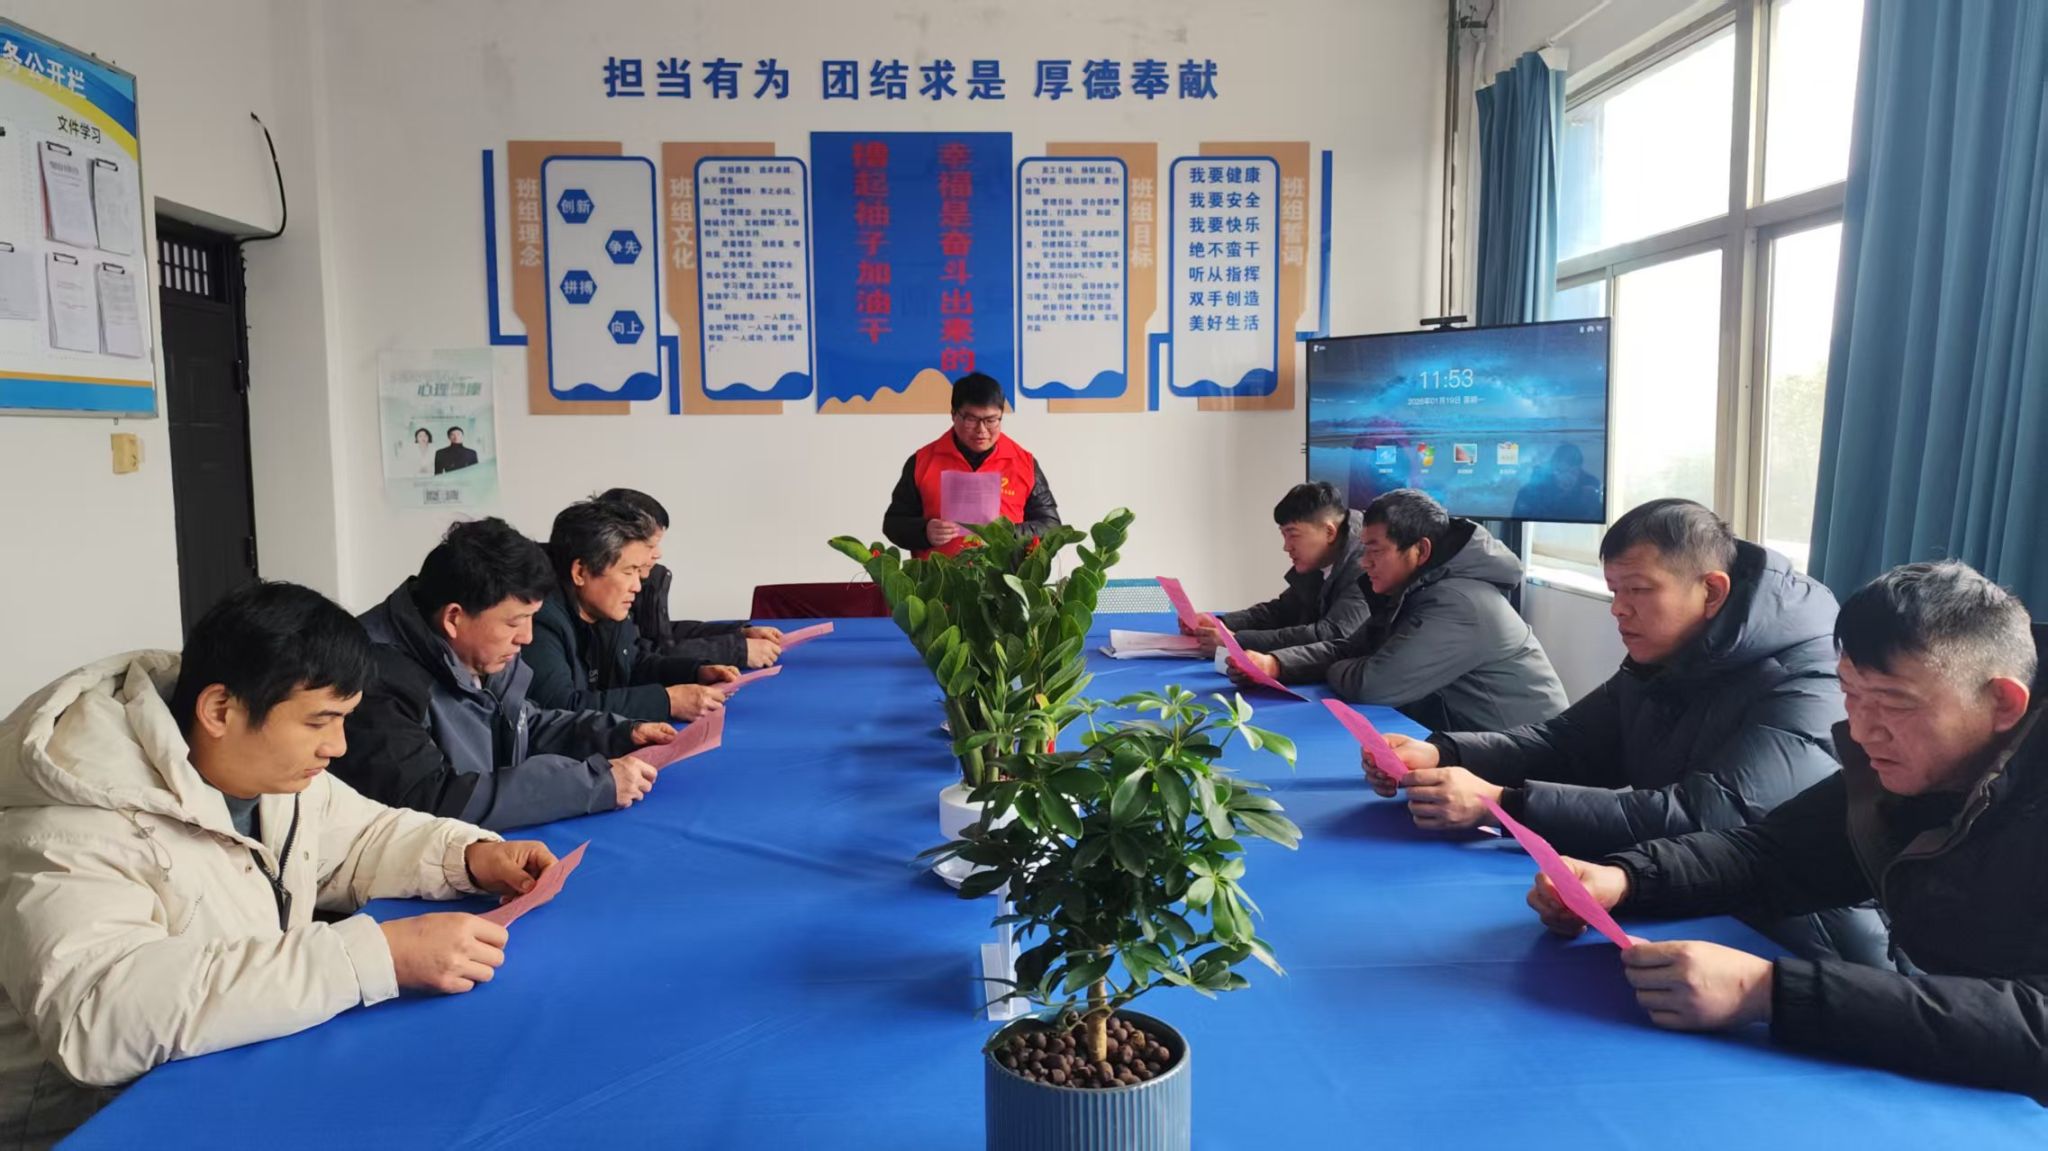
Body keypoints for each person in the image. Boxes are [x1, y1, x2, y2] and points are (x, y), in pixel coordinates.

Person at [0, 582, 560, 1146]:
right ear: (219, 710)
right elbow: (99, 1018)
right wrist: (375, 956)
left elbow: (362, 838)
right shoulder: (68, 825)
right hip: (88, 1127)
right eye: (319, 722)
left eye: (344, 720)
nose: (337, 747)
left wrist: (469, 856)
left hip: (220, 1076)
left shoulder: (263, 771)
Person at [1526, 562, 2048, 1099]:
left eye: (1894, 703)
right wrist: (1628, 878)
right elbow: (1773, 855)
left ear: (2002, 703)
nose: (1862, 730)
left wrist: (1769, 991)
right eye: (1851, 694)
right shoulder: (1908, 768)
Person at [1365, 498, 1887, 965]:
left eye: (1638, 590)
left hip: (1800, 945)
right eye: (1615, 590)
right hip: (1680, 904)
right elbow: (1567, 743)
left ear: (1711, 590)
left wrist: (1501, 803)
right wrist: (1444, 753)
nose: (1618, 609)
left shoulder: (1809, 677)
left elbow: (1709, 816)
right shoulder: (1669, 653)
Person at [331, 517, 679, 830]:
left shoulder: (478, 649)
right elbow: (431, 798)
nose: (527, 637)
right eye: (515, 622)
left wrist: (619, 733)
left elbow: (520, 724)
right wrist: (591, 785)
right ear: (454, 618)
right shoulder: (374, 675)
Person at [1240, 488, 1567, 731]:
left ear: (1420, 550)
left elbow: (1373, 685)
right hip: (1460, 739)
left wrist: (1340, 667)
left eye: (1375, 551)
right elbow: (1350, 648)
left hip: (1518, 763)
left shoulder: (1457, 603)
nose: (1364, 562)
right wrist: (1277, 664)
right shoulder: (1414, 588)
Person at [523, 498, 739, 723]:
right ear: (580, 572)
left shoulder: (604, 608)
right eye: (628, 572)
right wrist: (667, 702)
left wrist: (695, 672)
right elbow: (561, 708)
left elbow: (630, 666)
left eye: (638, 572)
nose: (637, 586)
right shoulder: (536, 618)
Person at [1193, 482, 1371, 680]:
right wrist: (1222, 623)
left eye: (1293, 535)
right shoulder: (1320, 560)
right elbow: (1282, 610)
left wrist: (1237, 640)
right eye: (1283, 535)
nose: (1286, 547)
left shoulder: (1366, 566)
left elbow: (1331, 634)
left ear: (1329, 532)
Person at [599, 487, 784, 671]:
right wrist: (736, 650)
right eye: (650, 545)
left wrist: (738, 634)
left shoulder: (648, 578)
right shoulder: (606, 593)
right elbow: (638, 658)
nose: (658, 554)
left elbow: (660, 636)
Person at [881, 372, 1060, 558]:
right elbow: (894, 523)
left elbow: (1051, 526)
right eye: (971, 420)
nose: (981, 430)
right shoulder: (923, 461)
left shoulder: (1023, 462)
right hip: (938, 575)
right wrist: (924, 531)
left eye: (991, 420)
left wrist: (1008, 534)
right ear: (953, 415)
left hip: (1006, 576)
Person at [1511, 442, 1603, 523]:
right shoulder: (1533, 491)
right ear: (1553, 469)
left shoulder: (1589, 489)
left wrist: (1589, 501)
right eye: (1561, 471)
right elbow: (1520, 519)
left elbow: (1593, 518)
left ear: (1580, 471)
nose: (1566, 477)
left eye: (1573, 472)